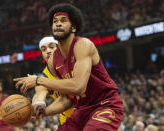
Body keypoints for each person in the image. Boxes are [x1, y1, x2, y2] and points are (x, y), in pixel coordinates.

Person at [14, 3, 123, 131]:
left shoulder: (83, 45)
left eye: (63, 21)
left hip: (105, 104)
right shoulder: (53, 60)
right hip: (82, 109)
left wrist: (38, 80)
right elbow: (66, 99)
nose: (58, 24)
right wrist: (43, 112)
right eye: (55, 22)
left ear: (73, 27)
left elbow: (78, 87)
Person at [30, 36, 74, 125]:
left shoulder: (73, 63)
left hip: (88, 112)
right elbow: (39, 94)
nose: (48, 51)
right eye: (43, 49)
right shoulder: (43, 77)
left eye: (52, 47)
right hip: (67, 120)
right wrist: (38, 105)